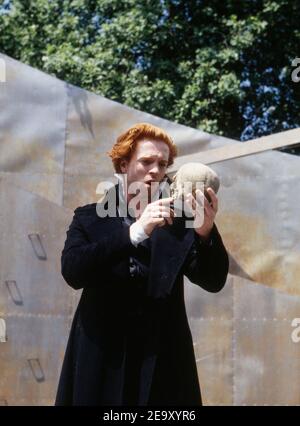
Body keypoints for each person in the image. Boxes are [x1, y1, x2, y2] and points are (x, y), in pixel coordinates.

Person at [55, 122, 229, 406]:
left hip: (163, 362)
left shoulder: (180, 222)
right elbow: (73, 271)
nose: (156, 171)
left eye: (162, 164)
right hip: (101, 358)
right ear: (124, 165)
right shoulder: (89, 217)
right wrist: (136, 232)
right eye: (146, 161)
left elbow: (213, 280)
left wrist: (206, 233)